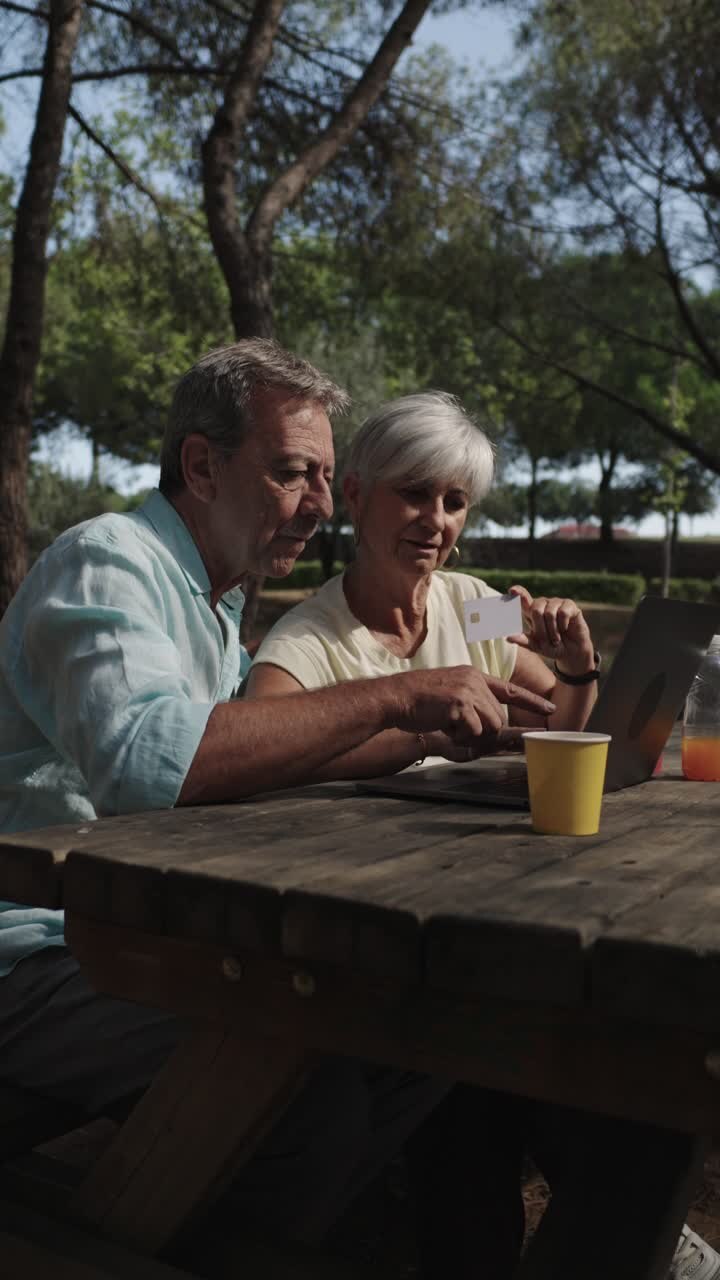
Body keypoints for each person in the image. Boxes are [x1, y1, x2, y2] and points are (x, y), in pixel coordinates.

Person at [0, 342, 558, 1274]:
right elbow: (156, 769)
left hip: (128, 929)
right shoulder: (108, 564)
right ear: (203, 464)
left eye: (323, 478)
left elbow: (252, 768)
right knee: (312, 1090)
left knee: (431, 1031)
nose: (314, 503)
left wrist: (477, 713)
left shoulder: (223, 608)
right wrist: (400, 700)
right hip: (35, 949)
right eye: (294, 473)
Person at [248, 391, 720, 1280]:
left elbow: (551, 714)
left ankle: (625, 1232)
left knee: (617, 1105)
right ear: (354, 496)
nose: (436, 522)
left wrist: (578, 663)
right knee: (519, 1101)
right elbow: (259, 740)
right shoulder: (308, 638)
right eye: (414, 494)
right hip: (378, 935)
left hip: (493, 904)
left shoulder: (471, 604)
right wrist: (420, 736)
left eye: (454, 502)